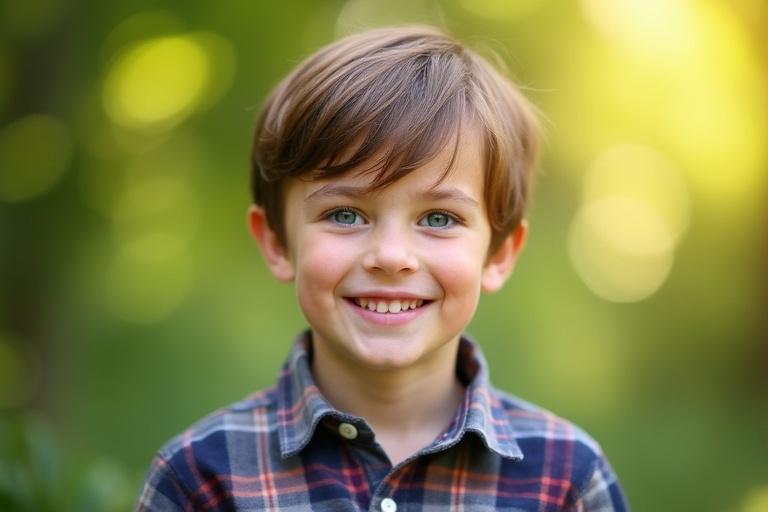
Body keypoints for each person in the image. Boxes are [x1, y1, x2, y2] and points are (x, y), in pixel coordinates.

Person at [136, 26, 629, 511]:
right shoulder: (200, 479)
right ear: (277, 242)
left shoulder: (568, 480)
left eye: (439, 218)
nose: (392, 257)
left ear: (498, 255)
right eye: (345, 215)